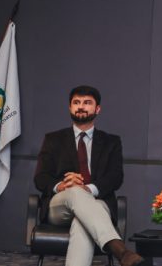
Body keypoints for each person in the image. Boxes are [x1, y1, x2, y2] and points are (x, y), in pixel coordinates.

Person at [33, 85, 148, 266]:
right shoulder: (53, 139)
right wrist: (62, 186)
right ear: (70, 107)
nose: (81, 106)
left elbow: (115, 177)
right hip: (60, 206)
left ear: (97, 109)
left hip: (97, 202)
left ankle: (122, 253)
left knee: (82, 223)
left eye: (87, 102)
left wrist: (88, 189)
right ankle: (121, 251)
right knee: (75, 192)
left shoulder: (111, 142)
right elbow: (41, 177)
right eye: (76, 102)